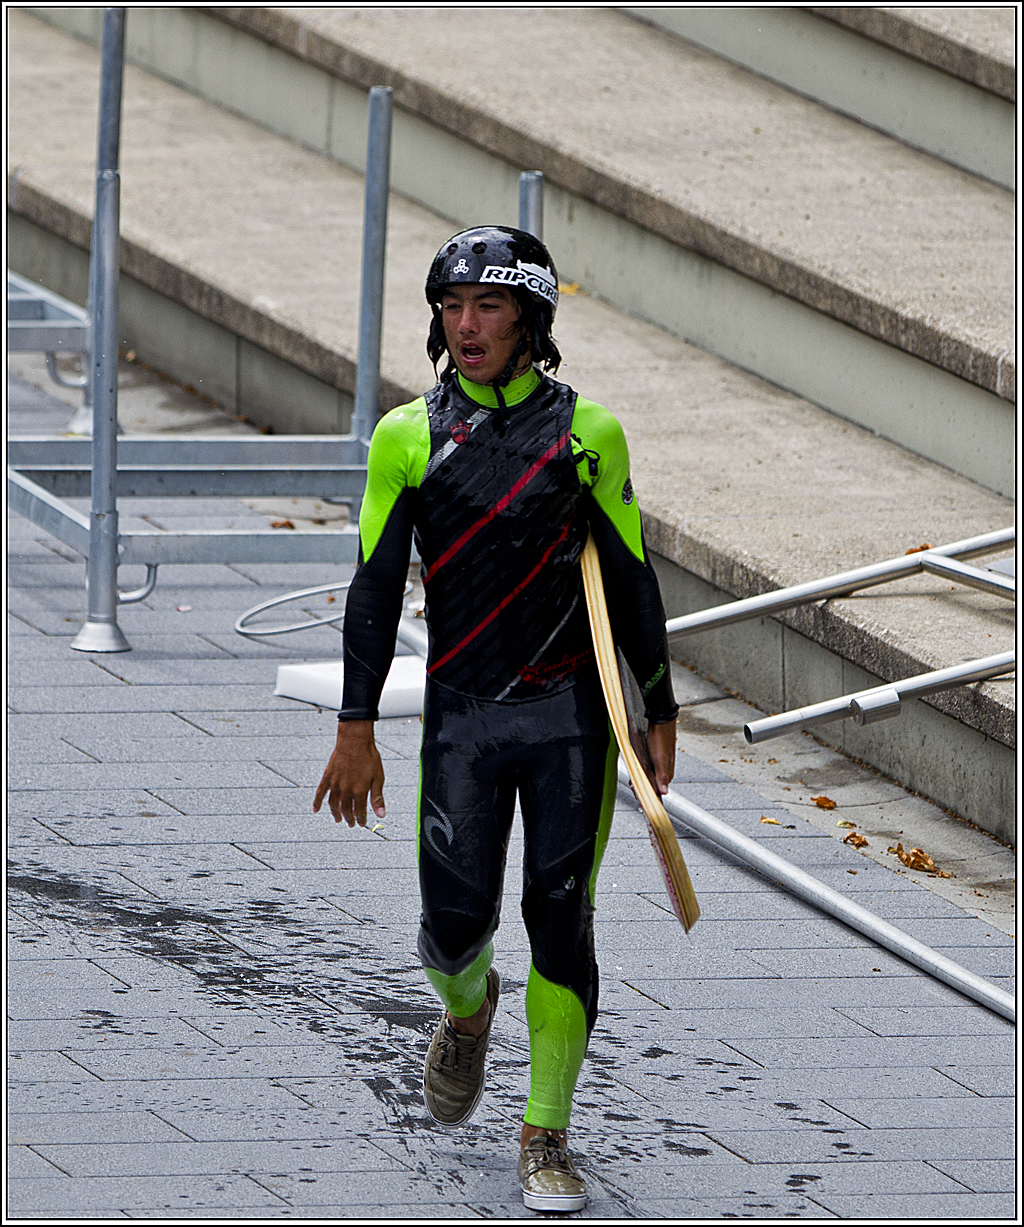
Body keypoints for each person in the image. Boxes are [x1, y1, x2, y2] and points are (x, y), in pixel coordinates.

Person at [314, 226, 678, 1212]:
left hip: (569, 723)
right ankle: (469, 1014)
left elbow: (633, 578)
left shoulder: (587, 434)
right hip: (463, 722)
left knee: (561, 920)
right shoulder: (408, 436)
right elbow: (373, 589)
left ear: (531, 320)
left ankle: (545, 1130)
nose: (466, 326)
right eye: (451, 307)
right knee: (450, 931)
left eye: (489, 307)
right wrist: (355, 728)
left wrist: (657, 705)